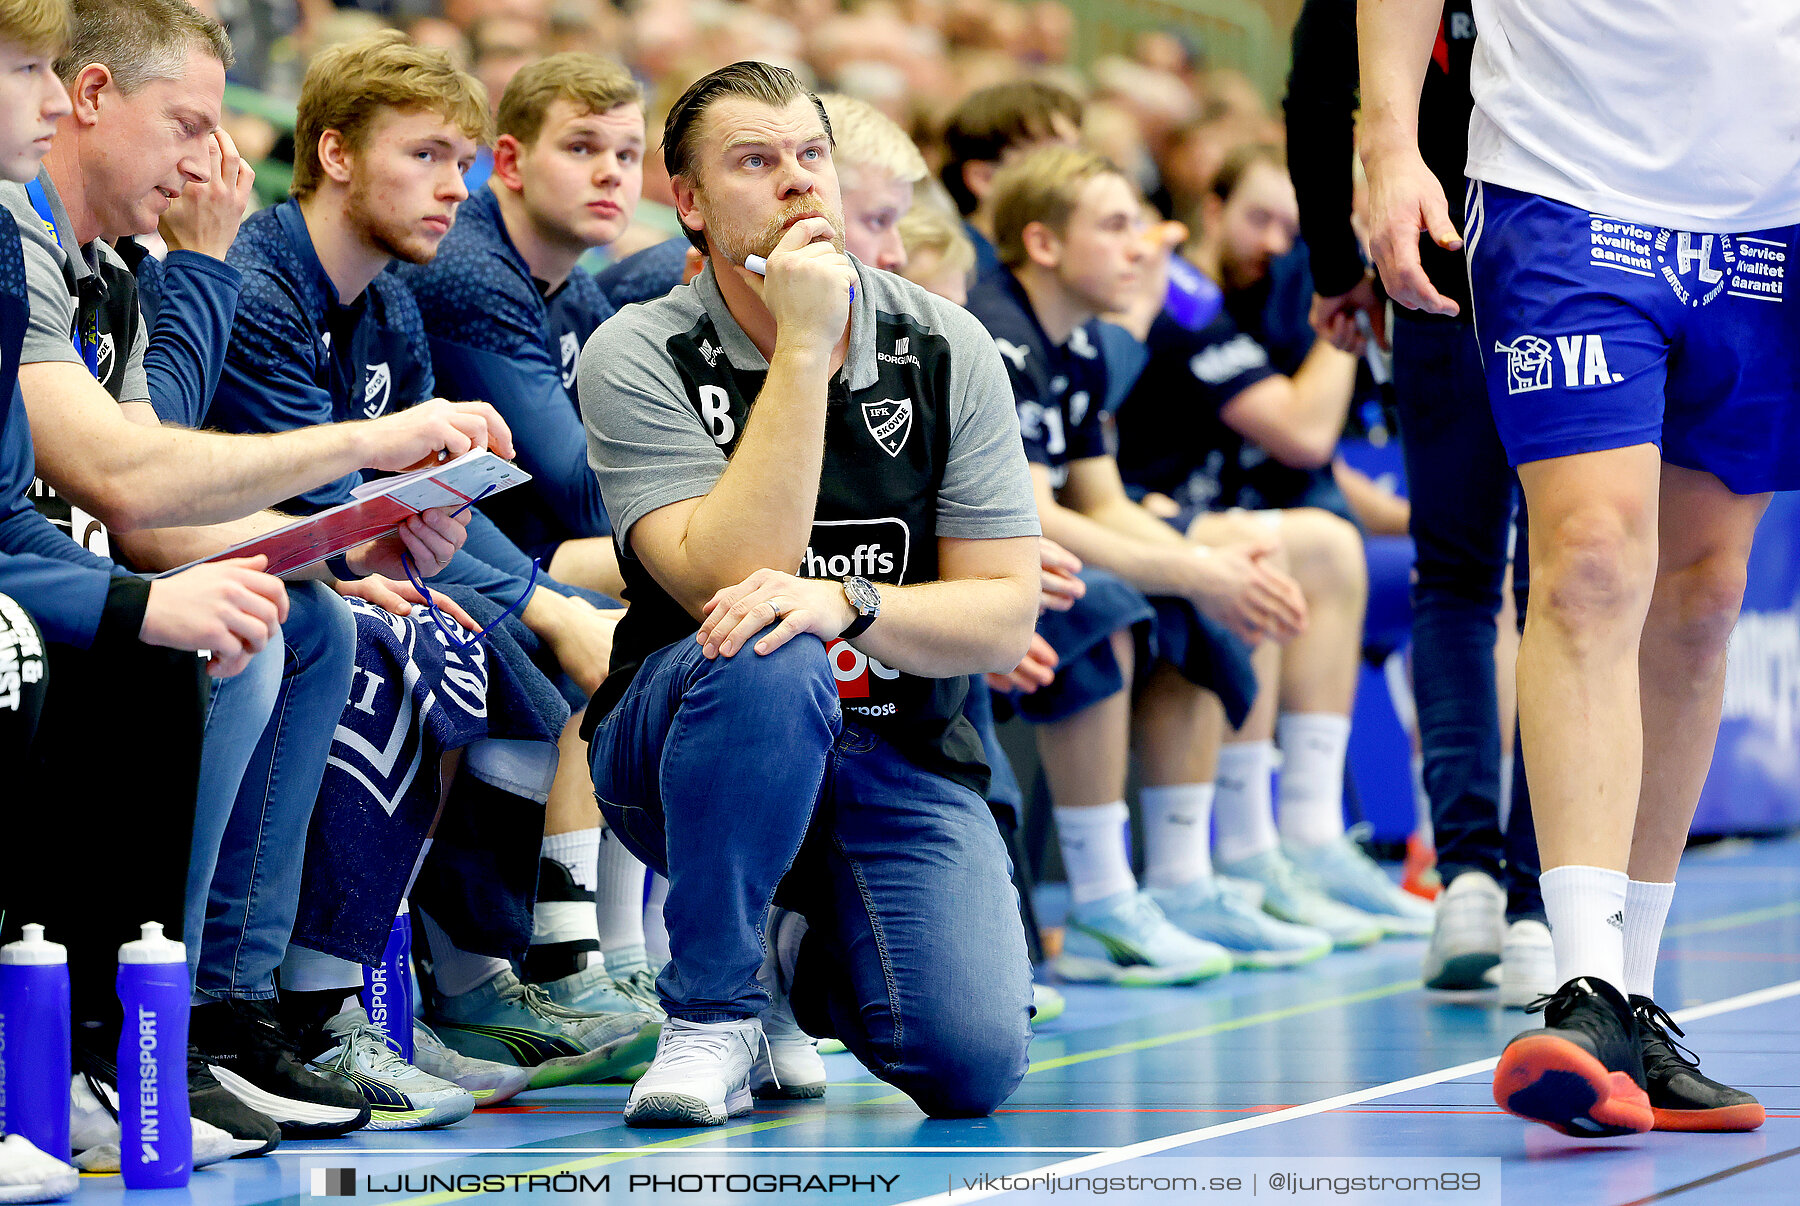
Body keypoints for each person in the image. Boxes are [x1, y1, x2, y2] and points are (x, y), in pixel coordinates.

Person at [3, 0, 495, 1143]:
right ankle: (118, 1030)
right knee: (195, 632)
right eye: (186, 125)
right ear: (86, 102)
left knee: (296, 614)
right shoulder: (49, 245)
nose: (211, 160)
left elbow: (152, 495)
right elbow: (132, 483)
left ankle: (219, 1008)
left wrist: (357, 540)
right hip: (37, 581)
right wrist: (356, 444)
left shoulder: (107, 265)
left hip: (52, 556)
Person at [580, 60, 1042, 1127]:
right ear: (688, 202)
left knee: (968, 1063)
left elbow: (1004, 614)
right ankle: (712, 1013)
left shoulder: (944, 344)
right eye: (756, 162)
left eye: (811, 156)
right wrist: (800, 344)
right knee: (768, 638)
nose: (798, 186)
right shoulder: (639, 349)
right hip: (690, 738)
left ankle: (794, 946)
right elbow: (725, 580)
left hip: (896, 748)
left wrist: (857, 603)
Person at [210, 29, 657, 1107]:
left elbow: (411, 514)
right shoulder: (265, 282)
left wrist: (455, 552)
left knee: (484, 643)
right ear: (332, 153)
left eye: (460, 162)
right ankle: (313, 1006)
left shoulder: (395, 300)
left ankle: (483, 981)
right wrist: (429, 557)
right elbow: (309, 510)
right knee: (395, 641)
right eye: (425, 158)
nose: (452, 190)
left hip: (331, 571)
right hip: (246, 581)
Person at [1362, 0, 1782, 1136]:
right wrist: (1389, 142)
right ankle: (1581, 977)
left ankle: (1633, 1007)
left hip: (1772, 209)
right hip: (1567, 183)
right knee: (1591, 557)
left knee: (1704, 597)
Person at [967, 145, 1344, 978]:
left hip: (1043, 544)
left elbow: (1102, 499)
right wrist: (1195, 570)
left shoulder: (1084, 346)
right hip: (968, 568)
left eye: (1141, 225)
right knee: (1107, 602)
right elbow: (1034, 515)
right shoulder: (1000, 333)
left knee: (1215, 579)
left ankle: (1183, 880)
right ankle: (1103, 901)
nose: (1142, 248)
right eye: (1115, 227)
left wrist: (1208, 568)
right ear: (1042, 243)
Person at [1285, 0, 1550, 1003]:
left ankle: (1471, 882)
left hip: (1431, 262)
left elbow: (1315, 88)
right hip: (1575, 266)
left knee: (1458, 579)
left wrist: (1332, 264)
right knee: (1562, 590)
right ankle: (1533, 903)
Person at [1114, 144, 1432, 941]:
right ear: (1211, 210)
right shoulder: (1181, 287)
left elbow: (1302, 450)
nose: (1276, 242)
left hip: (1212, 506)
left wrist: (1408, 516)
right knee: (1277, 548)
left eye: (1293, 229)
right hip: (1134, 510)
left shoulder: (1267, 289)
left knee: (1324, 540)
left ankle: (1310, 838)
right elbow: (1301, 429)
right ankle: (1252, 849)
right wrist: (1352, 307)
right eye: (1258, 218)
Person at [401, 50, 659, 1018]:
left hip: (510, 546)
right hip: (456, 552)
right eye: (582, 147)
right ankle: (566, 948)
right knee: (664, 577)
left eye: (627, 155)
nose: (609, 174)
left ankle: (626, 946)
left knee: (703, 574)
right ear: (506, 162)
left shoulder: (572, 287)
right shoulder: (471, 270)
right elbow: (589, 494)